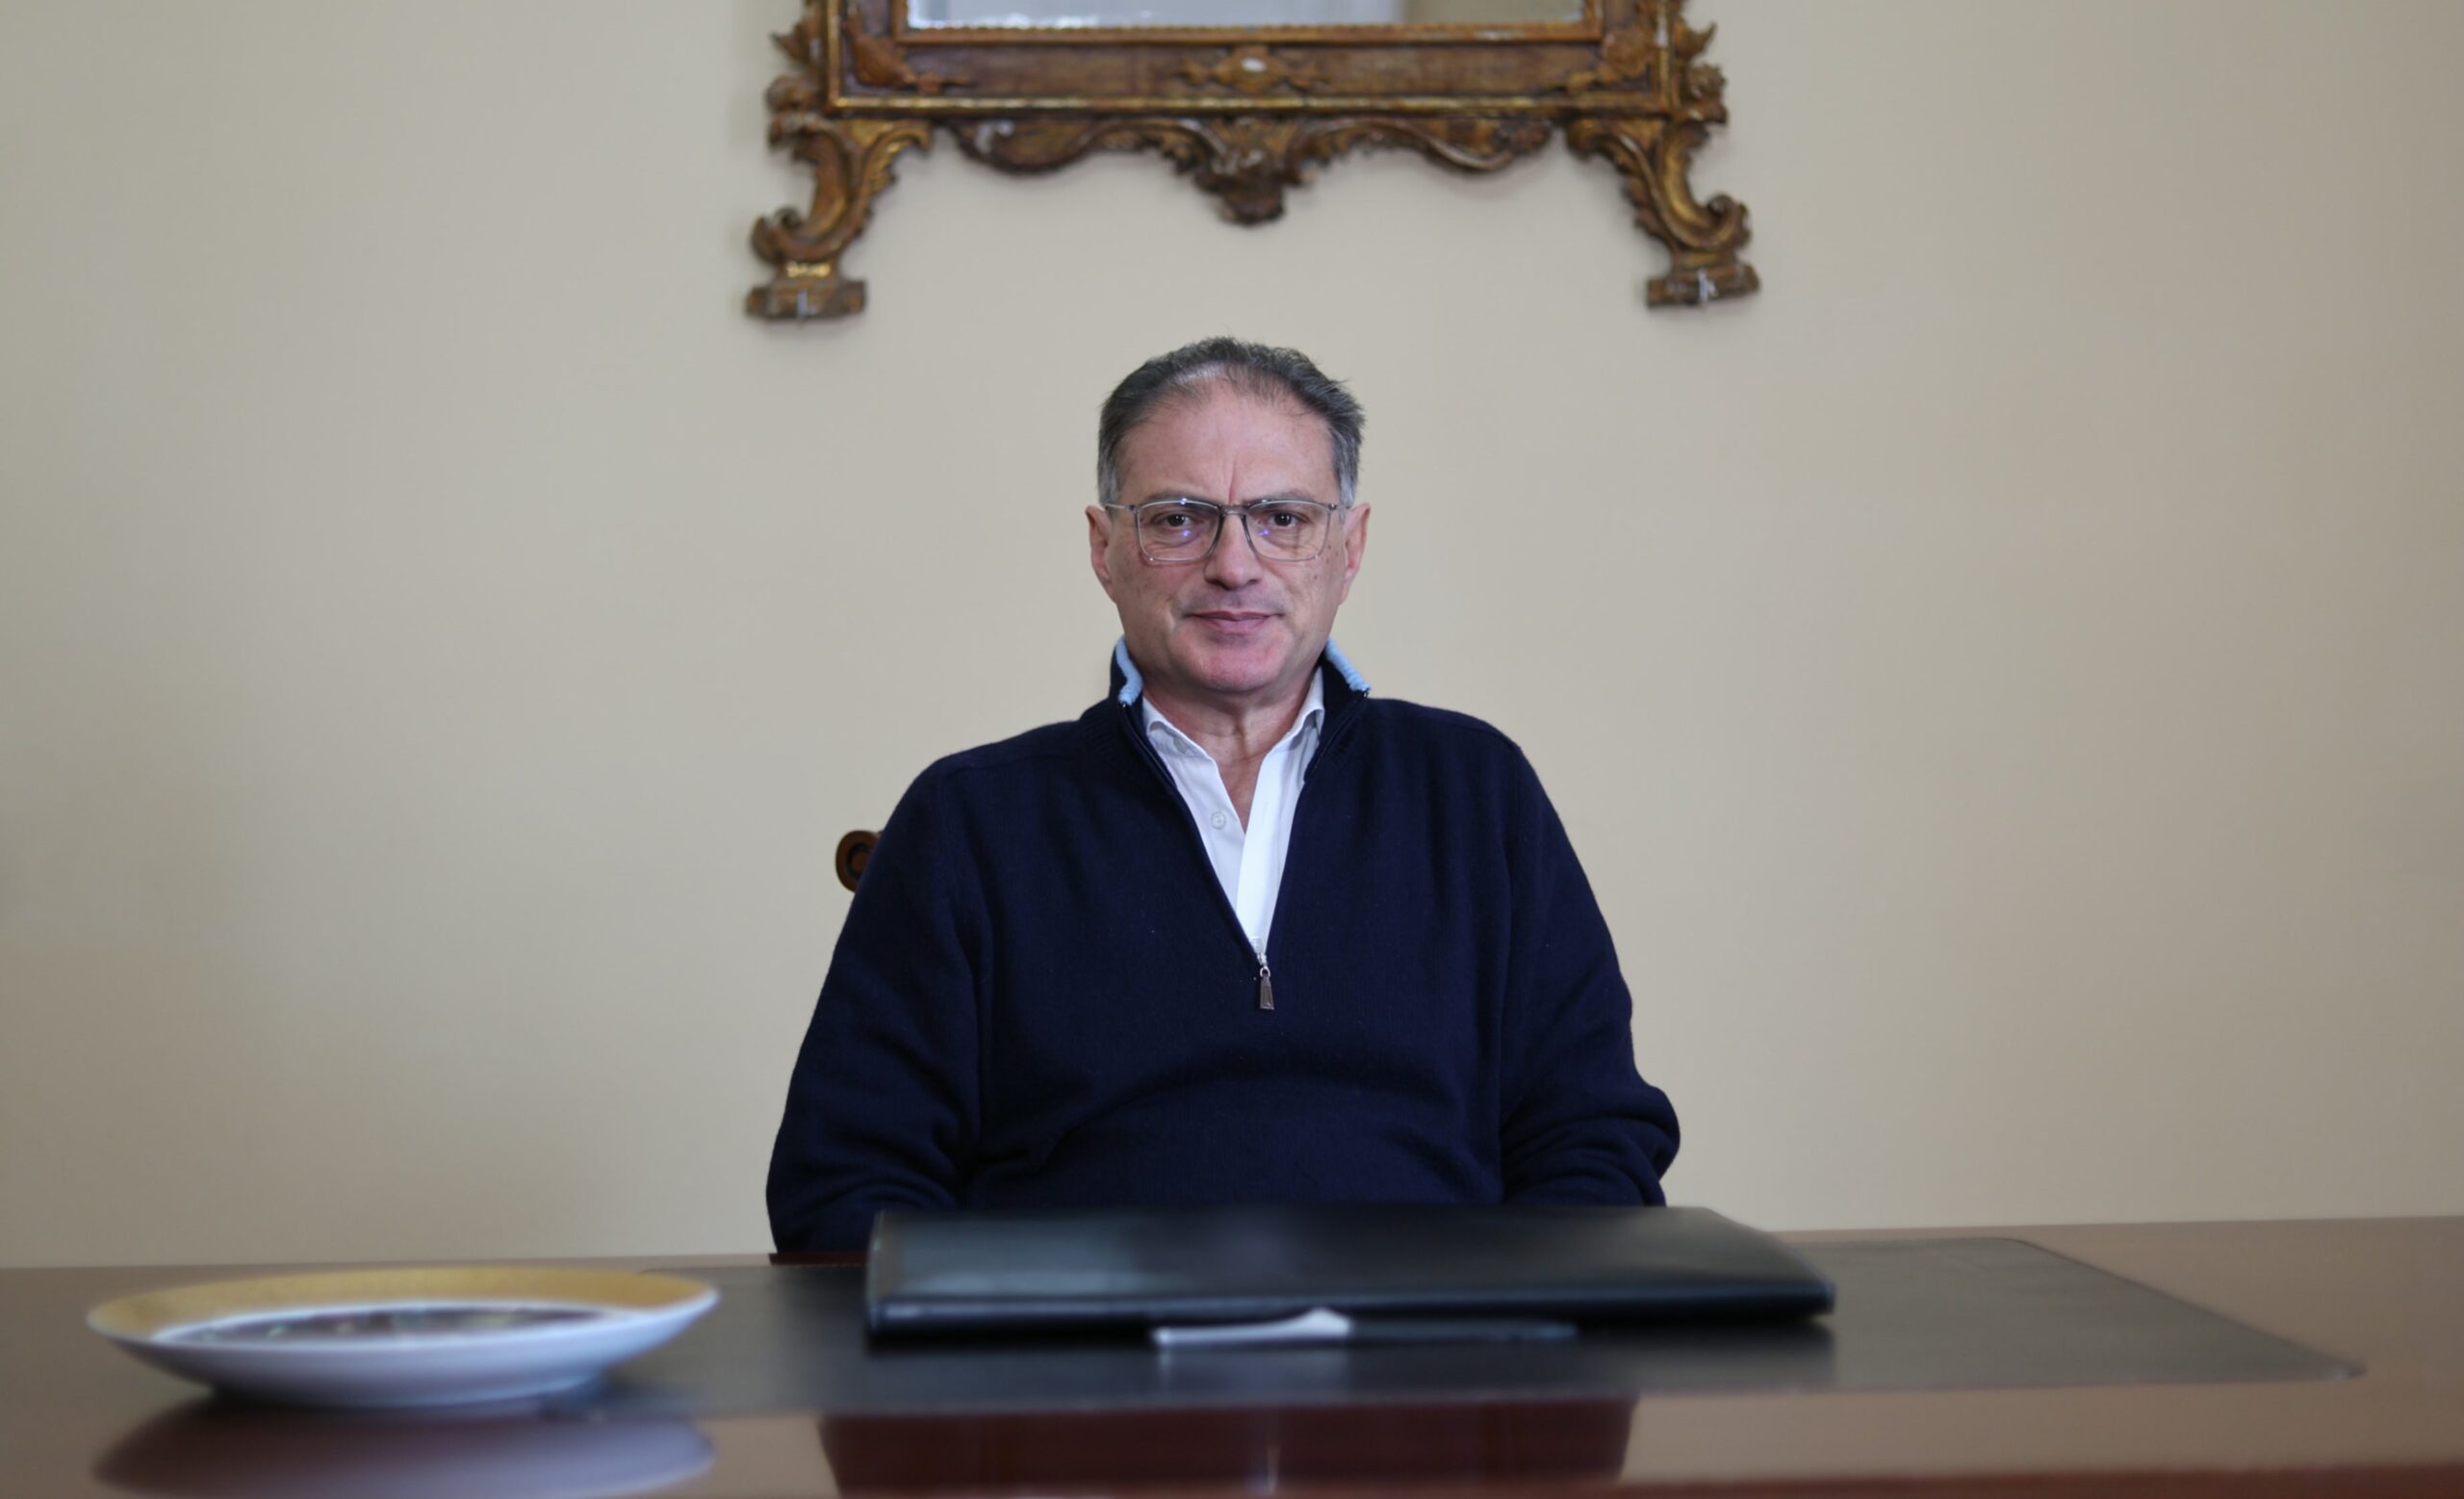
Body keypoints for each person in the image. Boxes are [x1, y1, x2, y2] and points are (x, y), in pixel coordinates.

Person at [767, 337, 1678, 1253]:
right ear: (1105, 548)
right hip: (1078, 1342)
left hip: (1426, 1334)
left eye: (1283, 518)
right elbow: (846, 1182)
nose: (1235, 565)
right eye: (1178, 519)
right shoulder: (968, 823)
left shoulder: (1477, 794)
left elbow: (1594, 1142)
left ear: (1350, 546)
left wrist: (1492, 1323)